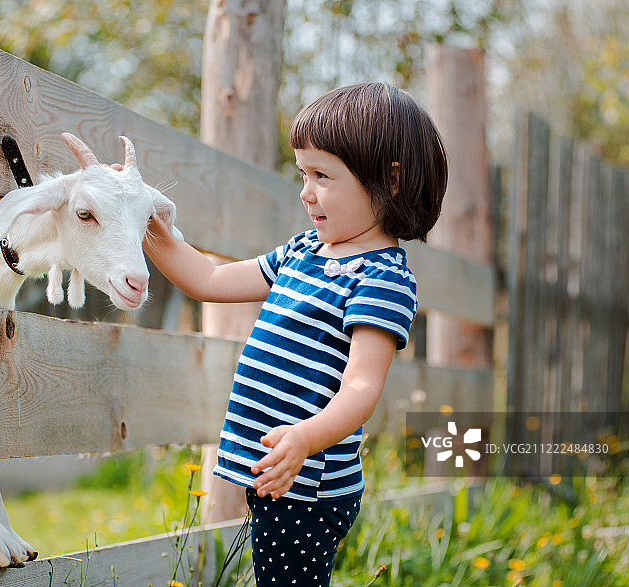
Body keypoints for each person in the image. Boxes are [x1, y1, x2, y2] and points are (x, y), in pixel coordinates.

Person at [143, 81, 447, 586]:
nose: (305, 192)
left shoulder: (382, 278)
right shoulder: (302, 251)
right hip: (279, 468)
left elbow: (362, 388)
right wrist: (140, 220)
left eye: (322, 176)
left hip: (309, 483)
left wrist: (305, 438)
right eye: (303, 174)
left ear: (390, 181)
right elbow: (209, 280)